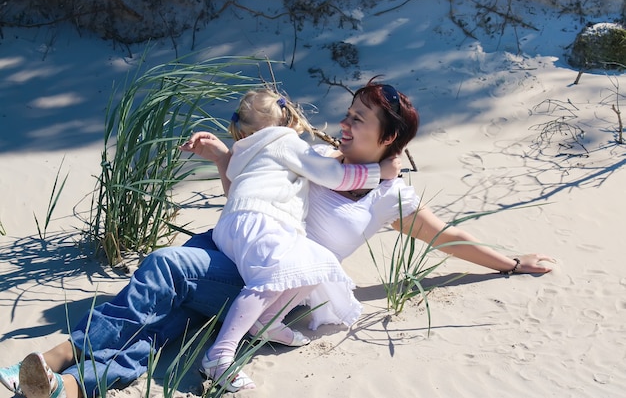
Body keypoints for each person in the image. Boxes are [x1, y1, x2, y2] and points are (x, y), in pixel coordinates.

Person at [0, 79, 554, 398]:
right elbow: (248, 195)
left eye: (359, 121)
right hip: (233, 251)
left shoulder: (390, 197)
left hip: (266, 286)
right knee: (168, 323)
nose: (345, 124)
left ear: (389, 140)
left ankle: (63, 350)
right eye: (348, 113)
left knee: (165, 270)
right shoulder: (314, 156)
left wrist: (508, 262)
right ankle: (66, 389)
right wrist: (224, 156)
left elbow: (446, 237)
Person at [187, 87, 399, 392]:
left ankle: (268, 321)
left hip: (233, 225)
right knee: (268, 281)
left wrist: (222, 157)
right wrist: (378, 171)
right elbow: (331, 175)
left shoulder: (243, 151)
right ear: (287, 120)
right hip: (263, 220)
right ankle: (220, 354)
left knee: (316, 263)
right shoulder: (285, 141)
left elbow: (234, 189)